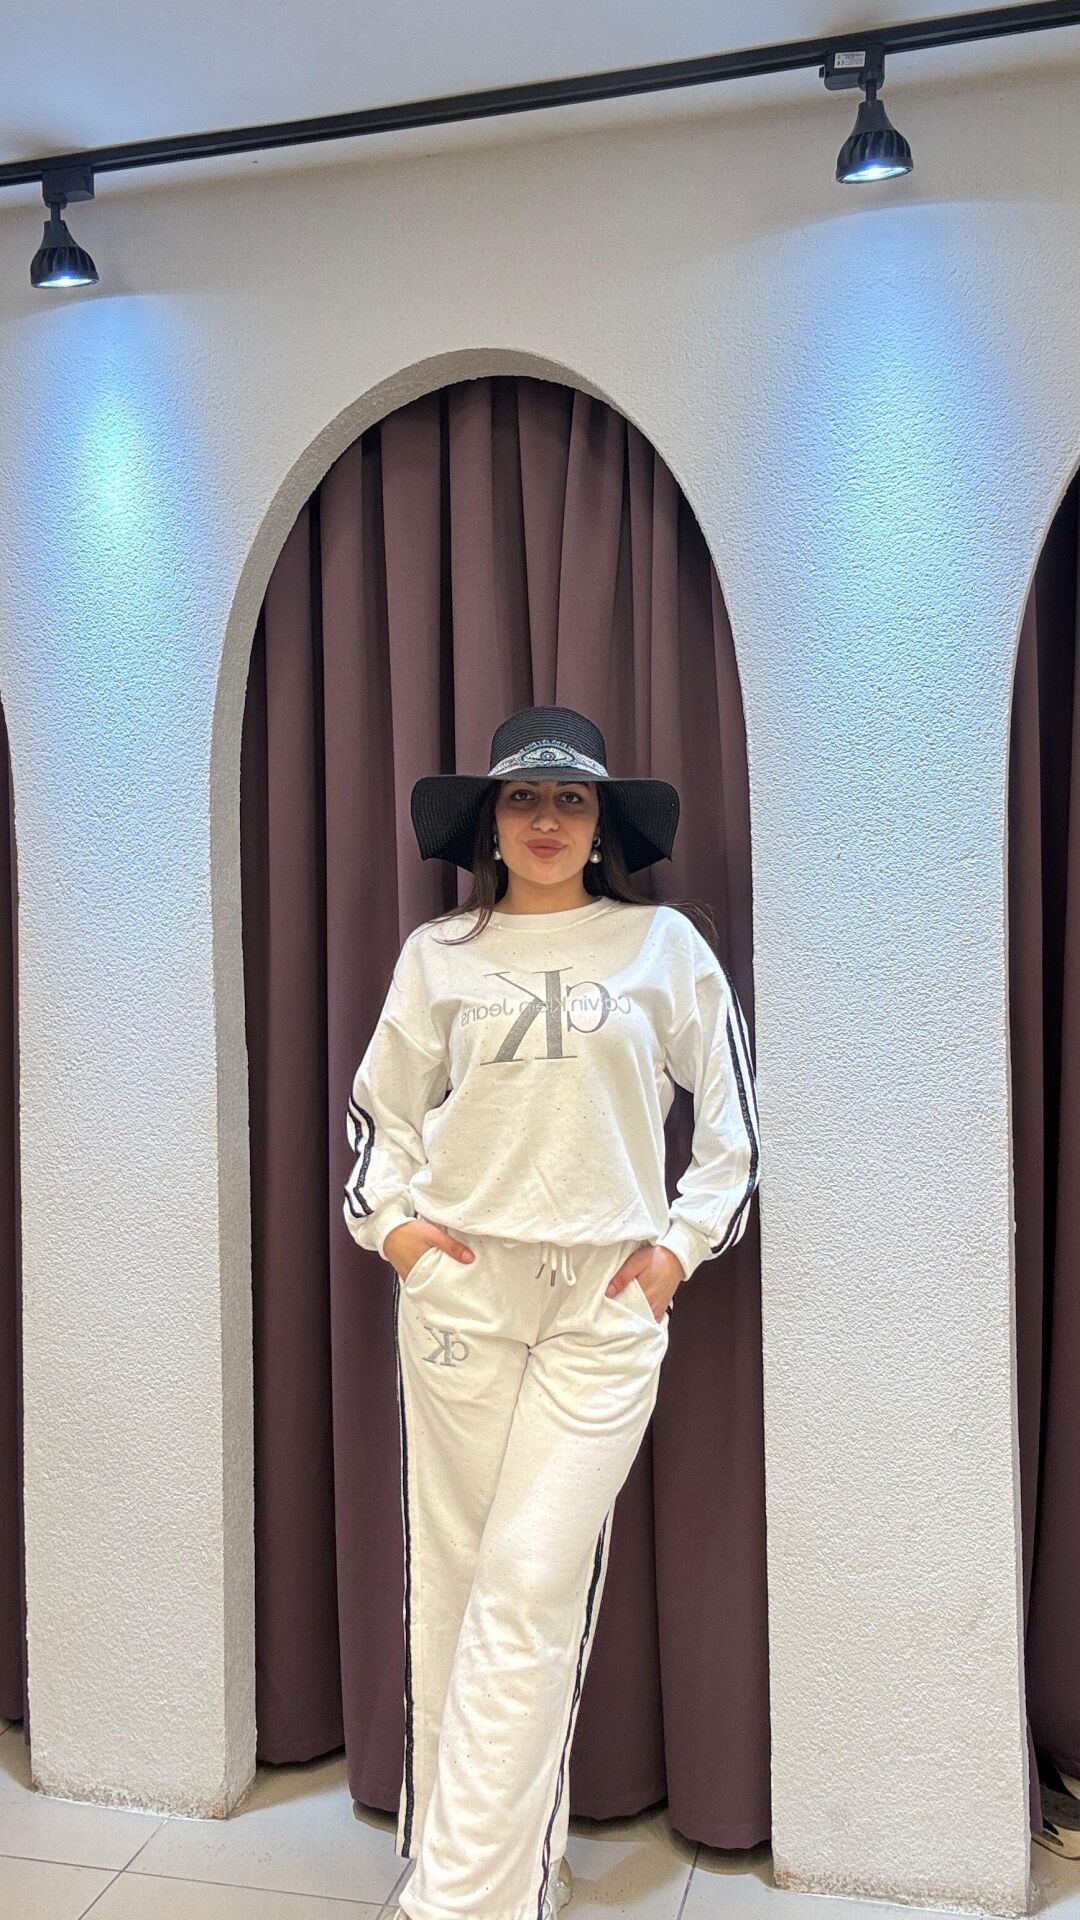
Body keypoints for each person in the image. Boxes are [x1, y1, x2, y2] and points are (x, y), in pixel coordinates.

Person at [343, 705, 761, 1920]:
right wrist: (398, 1235)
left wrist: (678, 1250)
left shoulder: (662, 945)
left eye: (570, 800)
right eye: (521, 798)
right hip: (462, 1294)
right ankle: (486, 1862)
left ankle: (463, 1902)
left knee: (530, 1581)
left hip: (604, 1301)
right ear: (488, 822)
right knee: (457, 1581)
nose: (544, 820)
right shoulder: (441, 953)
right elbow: (382, 1116)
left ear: (600, 823)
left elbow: (732, 1130)